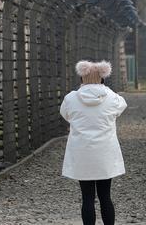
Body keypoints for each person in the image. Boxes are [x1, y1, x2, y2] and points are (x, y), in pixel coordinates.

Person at [60, 60, 128, 225]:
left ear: (82, 78)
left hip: (82, 152)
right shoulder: (112, 97)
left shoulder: (71, 98)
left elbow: (65, 114)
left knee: (87, 198)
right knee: (106, 197)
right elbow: (122, 106)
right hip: (105, 152)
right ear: (103, 78)